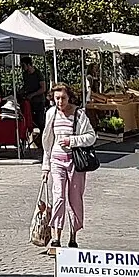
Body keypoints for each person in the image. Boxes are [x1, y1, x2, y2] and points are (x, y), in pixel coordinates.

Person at [39, 84, 98, 254]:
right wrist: (45, 167)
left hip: (75, 162)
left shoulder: (79, 114)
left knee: (75, 199)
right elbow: (47, 142)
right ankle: (57, 236)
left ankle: (73, 235)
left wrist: (72, 141)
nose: (60, 101)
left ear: (69, 97)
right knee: (58, 197)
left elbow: (91, 136)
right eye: (57, 98)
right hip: (57, 161)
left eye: (63, 98)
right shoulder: (51, 114)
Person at [19, 57, 46, 150]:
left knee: (40, 122)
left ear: (29, 65)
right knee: (28, 121)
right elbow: (26, 86)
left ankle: (43, 143)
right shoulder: (25, 74)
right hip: (29, 102)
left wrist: (33, 95)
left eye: (23, 65)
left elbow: (43, 88)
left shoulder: (38, 74)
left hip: (38, 102)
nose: (22, 67)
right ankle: (28, 141)